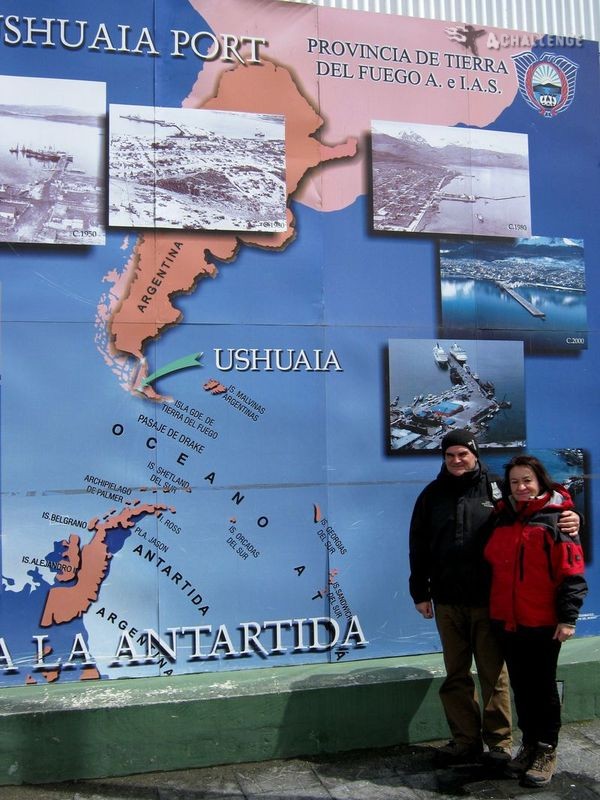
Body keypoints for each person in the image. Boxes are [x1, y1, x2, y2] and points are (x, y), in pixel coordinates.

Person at [408, 430, 580, 766]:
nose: (457, 460)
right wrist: (420, 592)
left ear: (475, 454)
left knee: (494, 675)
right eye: (450, 455)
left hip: (489, 602)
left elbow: (538, 512)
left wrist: (574, 518)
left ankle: (499, 744)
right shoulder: (431, 495)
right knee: (455, 674)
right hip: (446, 600)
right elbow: (418, 546)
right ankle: (465, 741)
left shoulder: (498, 490)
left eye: (463, 454)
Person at [484, 455, 587, 788]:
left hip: (542, 622)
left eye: (527, 480)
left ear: (540, 481)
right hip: (507, 620)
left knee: (542, 687)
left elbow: (572, 573)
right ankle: (528, 744)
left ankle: (546, 749)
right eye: (515, 482)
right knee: (522, 686)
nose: (521, 487)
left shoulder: (558, 520)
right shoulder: (502, 517)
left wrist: (567, 618)